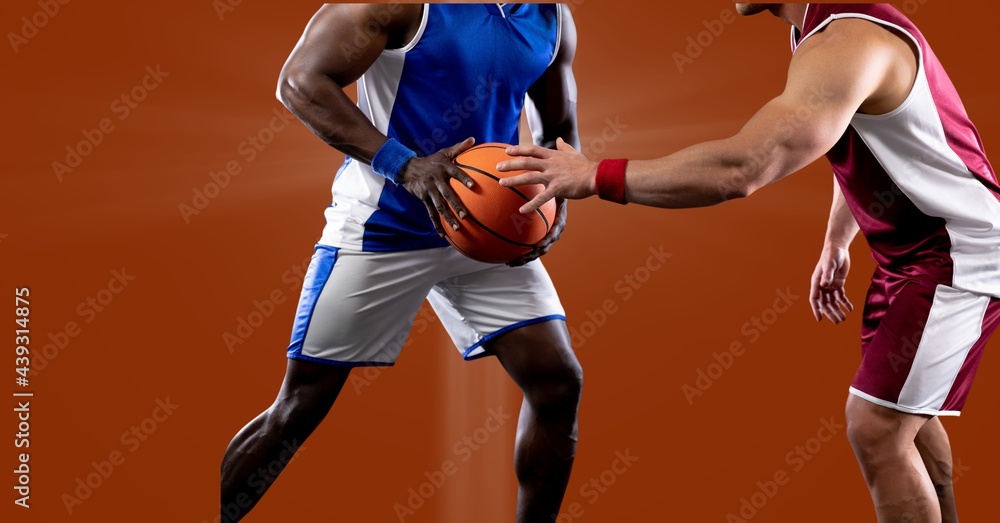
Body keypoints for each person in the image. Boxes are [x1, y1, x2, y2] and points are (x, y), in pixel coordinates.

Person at [497, 4, 999, 522]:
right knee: (908, 416)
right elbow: (869, 138)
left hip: (956, 255)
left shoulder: (846, 42)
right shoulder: (819, 31)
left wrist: (595, 175)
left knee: (876, 428)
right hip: (911, 257)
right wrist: (836, 242)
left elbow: (742, 168)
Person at [220, 4, 582, 522]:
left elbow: (558, 126)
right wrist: (404, 166)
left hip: (482, 227)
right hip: (383, 226)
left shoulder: (551, 16)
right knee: (299, 408)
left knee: (557, 382)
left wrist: (556, 194)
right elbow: (301, 82)